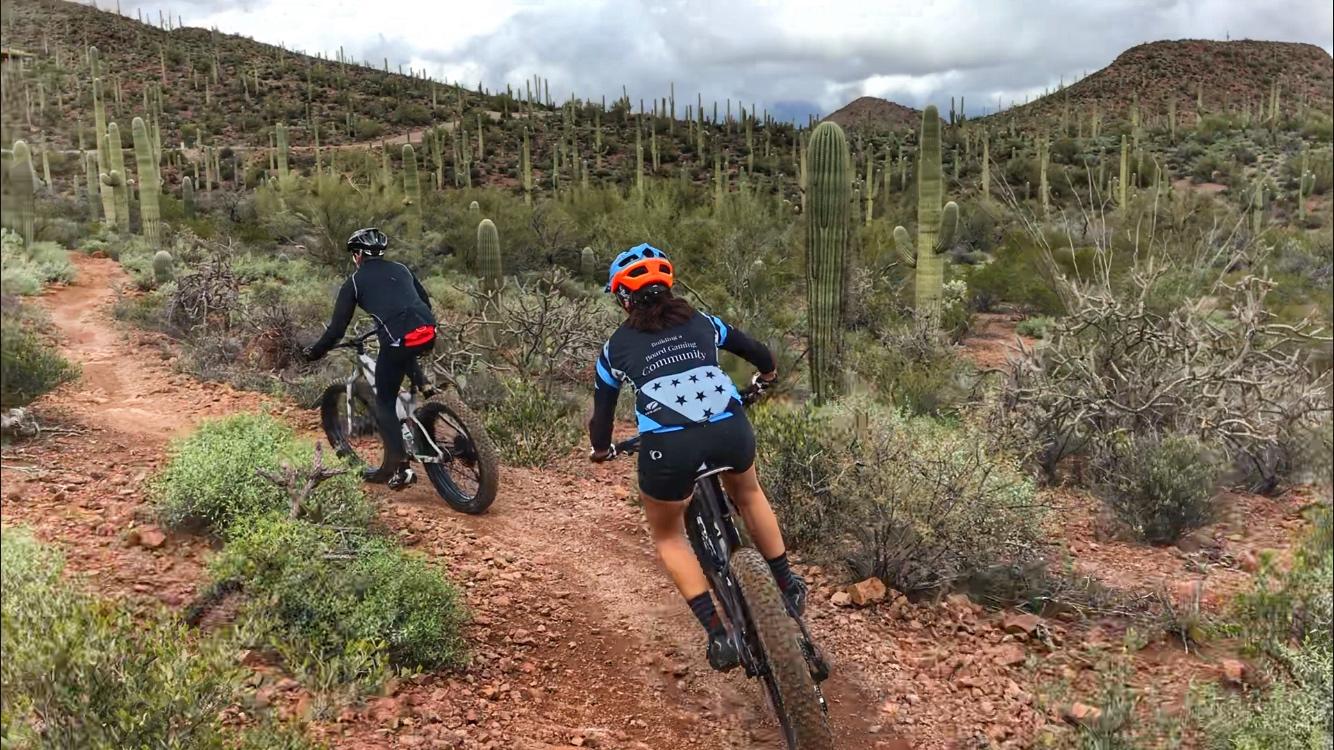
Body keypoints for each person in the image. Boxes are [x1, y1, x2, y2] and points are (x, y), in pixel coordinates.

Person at [587, 243, 807, 672]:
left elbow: (602, 415)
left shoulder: (615, 348)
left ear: (622, 298)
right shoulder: (705, 323)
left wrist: (601, 449)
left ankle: (718, 635)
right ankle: (786, 581)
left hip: (668, 448)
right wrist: (767, 378)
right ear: (668, 286)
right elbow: (761, 354)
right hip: (729, 428)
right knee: (748, 492)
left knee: (668, 534)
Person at [303, 228, 436, 489]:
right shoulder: (402, 269)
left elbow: (337, 329)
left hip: (398, 339)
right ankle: (425, 385)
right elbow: (424, 301)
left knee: (384, 401)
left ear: (358, 255)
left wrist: (315, 352)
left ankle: (401, 469)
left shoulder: (354, 282)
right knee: (405, 349)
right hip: (428, 329)